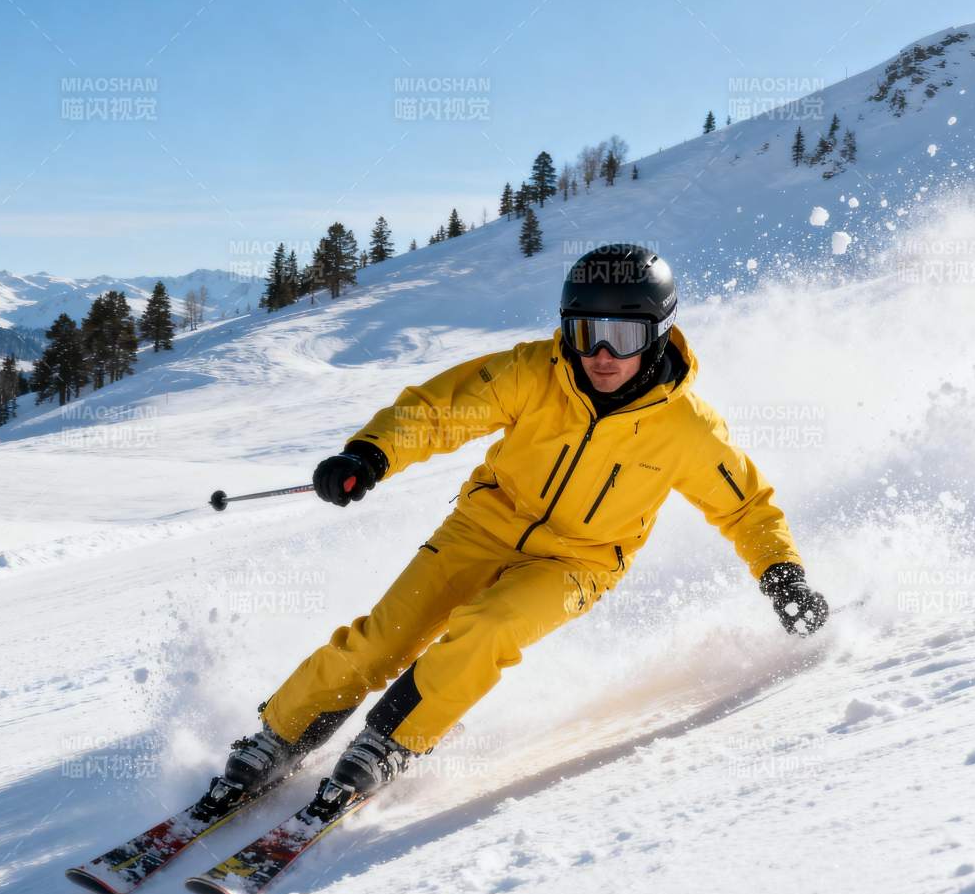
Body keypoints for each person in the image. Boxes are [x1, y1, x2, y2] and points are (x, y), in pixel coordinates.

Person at [219, 243, 828, 802]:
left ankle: (391, 741)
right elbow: (440, 412)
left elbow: (745, 506)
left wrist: (783, 575)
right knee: (383, 638)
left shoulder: (687, 427)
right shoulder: (535, 372)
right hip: (481, 527)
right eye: (587, 333)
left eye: (623, 336)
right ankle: (280, 734)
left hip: (578, 562)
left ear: (659, 333)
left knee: (488, 628)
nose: (602, 356)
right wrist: (370, 454)